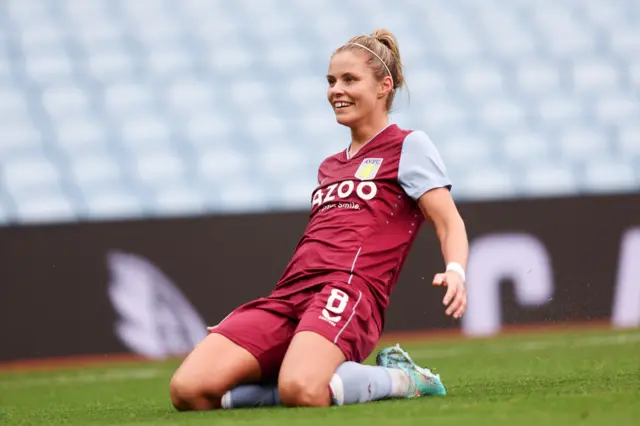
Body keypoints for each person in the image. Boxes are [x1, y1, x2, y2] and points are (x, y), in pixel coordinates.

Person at [169, 28, 469, 410]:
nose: (335, 90)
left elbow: (449, 221)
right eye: (330, 81)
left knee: (302, 389)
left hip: (348, 292)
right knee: (188, 390)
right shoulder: (330, 166)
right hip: (288, 297)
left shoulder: (409, 146)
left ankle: (402, 377)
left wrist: (456, 269)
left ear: (384, 86)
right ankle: (301, 374)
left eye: (349, 79)